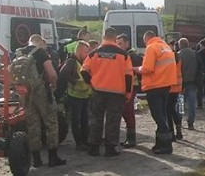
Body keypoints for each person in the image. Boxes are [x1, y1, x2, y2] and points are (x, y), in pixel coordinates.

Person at [81, 27, 133, 156]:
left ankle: (93, 147)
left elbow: (83, 70)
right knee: (113, 120)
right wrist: (128, 94)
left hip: (98, 91)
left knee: (96, 119)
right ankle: (110, 148)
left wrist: (92, 83)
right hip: (117, 93)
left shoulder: (94, 53)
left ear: (104, 37)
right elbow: (129, 76)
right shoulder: (124, 55)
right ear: (115, 38)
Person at [15, 35, 66, 167]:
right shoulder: (41, 52)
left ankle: (36, 160)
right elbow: (52, 73)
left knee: (32, 124)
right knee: (51, 122)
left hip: (24, 93)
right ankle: (53, 158)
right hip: (41, 91)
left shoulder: (18, 52)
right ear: (40, 42)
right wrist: (53, 85)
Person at [136, 30, 176, 155]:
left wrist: (136, 69)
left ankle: (166, 145)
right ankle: (159, 143)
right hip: (166, 85)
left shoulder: (151, 47)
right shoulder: (166, 47)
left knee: (158, 117)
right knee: (162, 115)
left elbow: (147, 68)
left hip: (155, 86)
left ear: (146, 39)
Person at [58, 41, 92, 150]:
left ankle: (85, 141)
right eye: (86, 52)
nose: (87, 54)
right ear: (80, 51)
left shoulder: (80, 61)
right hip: (75, 96)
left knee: (84, 120)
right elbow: (62, 72)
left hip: (84, 96)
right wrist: (74, 81)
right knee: (76, 121)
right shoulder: (72, 61)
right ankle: (79, 143)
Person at [116, 33, 143, 148]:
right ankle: (129, 137)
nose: (119, 46)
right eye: (117, 44)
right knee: (126, 111)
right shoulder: (126, 54)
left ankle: (131, 139)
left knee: (128, 111)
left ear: (127, 43)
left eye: (121, 44)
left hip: (131, 87)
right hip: (126, 87)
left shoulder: (132, 55)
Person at [177, 38, 199, 130]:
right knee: (192, 104)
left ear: (180, 45)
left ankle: (179, 122)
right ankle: (190, 123)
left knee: (180, 104)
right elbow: (199, 67)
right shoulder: (195, 54)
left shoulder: (178, 55)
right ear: (188, 44)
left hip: (181, 83)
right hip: (193, 82)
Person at [167, 44, 183, 140]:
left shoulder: (168, 58)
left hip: (168, 86)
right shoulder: (178, 57)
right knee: (172, 109)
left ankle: (171, 133)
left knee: (168, 111)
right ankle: (179, 130)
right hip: (177, 86)